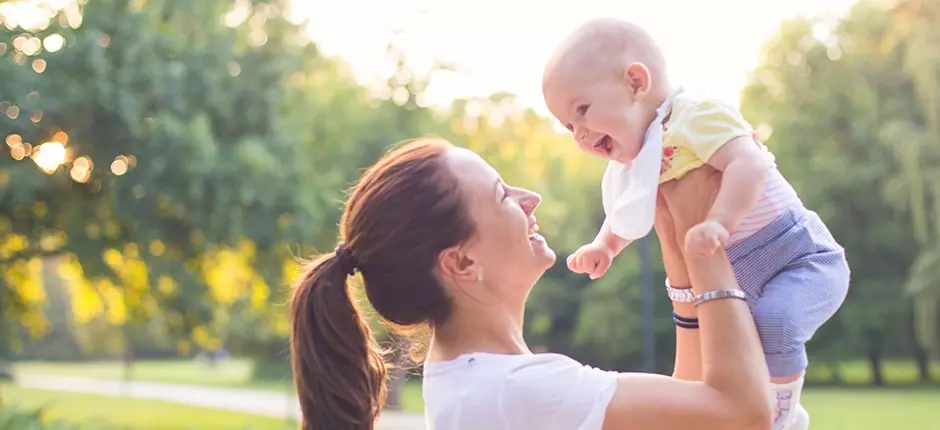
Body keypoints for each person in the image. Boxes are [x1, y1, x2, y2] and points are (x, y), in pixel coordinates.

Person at [289, 136, 774, 430]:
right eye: (502, 194)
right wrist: (705, 239)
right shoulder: (518, 390)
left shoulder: (478, 380)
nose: (530, 198)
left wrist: (674, 239)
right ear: (462, 262)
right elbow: (743, 415)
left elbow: (694, 416)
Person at [541, 18, 851, 429]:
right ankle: (780, 408)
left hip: (795, 255)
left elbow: (749, 163)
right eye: (569, 126)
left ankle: (781, 414)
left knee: (777, 323)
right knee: (727, 362)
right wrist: (606, 245)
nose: (579, 134)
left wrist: (720, 221)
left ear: (636, 82)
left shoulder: (695, 116)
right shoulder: (638, 157)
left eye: (582, 111)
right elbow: (628, 211)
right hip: (737, 278)